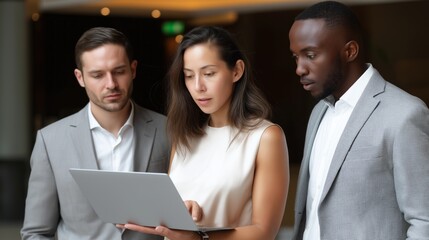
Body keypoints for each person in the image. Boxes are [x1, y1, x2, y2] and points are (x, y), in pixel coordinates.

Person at [118, 26, 290, 240]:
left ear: (236, 71)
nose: (198, 86)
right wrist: (180, 212)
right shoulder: (184, 136)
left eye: (209, 74)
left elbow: (264, 232)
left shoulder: (265, 137)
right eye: (189, 76)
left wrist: (198, 237)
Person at [288, 1, 429, 240]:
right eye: (296, 57)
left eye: (310, 55)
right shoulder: (318, 113)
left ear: (350, 51)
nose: (299, 69)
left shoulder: (405, 114)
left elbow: (425, 220)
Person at [21, 27, 170, 240]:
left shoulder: (169, 131)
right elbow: (36, 232)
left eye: (119, 71)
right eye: (97, 75)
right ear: (80, 77)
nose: (111, 84)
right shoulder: (50, 141)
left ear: (133, 69)